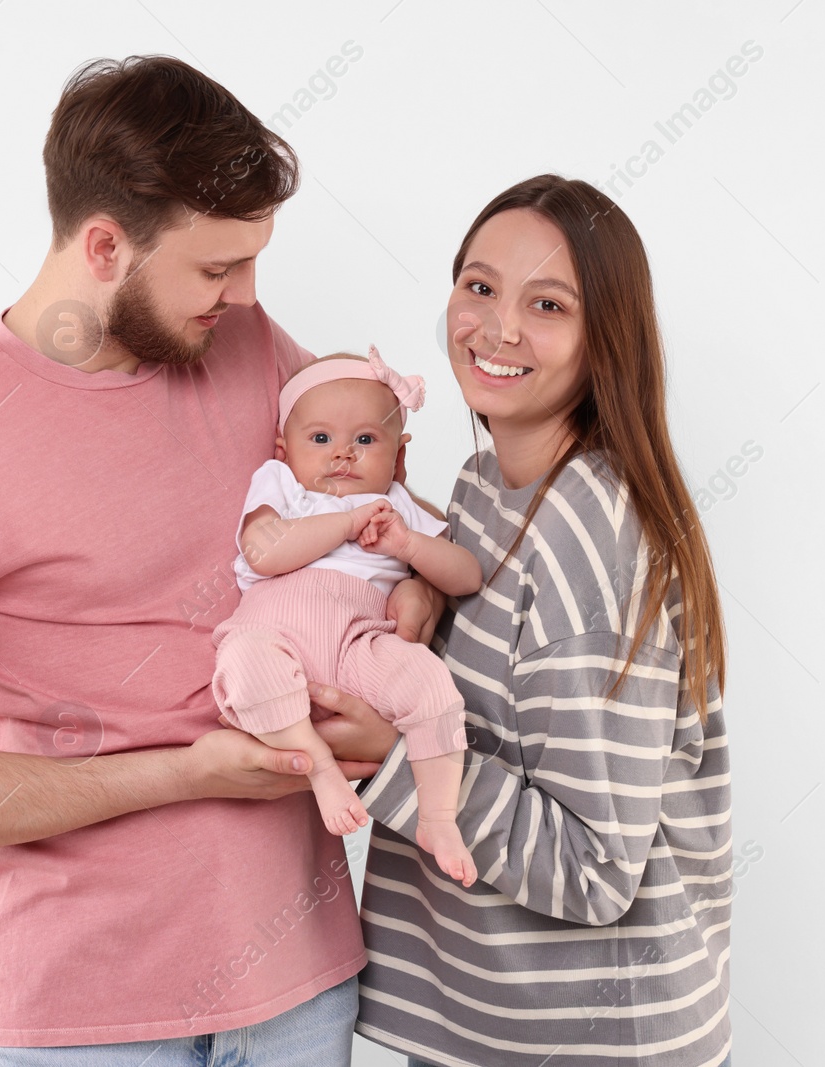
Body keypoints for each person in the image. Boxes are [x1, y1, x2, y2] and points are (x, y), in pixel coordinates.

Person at [0, 55, 448, 1065]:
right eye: (215, 268)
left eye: (253, 262)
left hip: (301, 989)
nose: (245, 295)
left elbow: (379, 521)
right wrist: (185, 774)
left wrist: (406, 627)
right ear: (105, 245)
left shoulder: (248, 347)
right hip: (80, 1022)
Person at [311, 175, 735, 1066]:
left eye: (547, 304)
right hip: (496, 1028)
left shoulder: (589, 537)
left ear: (603, 338)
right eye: (479, 286)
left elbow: (595, 869)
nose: (498, 327)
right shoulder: (484, 488)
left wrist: (396, 754)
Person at [211, 347, 482, 885]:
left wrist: (410, 546)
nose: (343, 455)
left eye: (365, 440)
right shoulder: (282, 488)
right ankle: (320, 766)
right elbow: (264, 553)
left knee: (431, 684)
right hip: (275, 633)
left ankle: (438, 817)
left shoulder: (397, 506)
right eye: (320, 440)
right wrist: (345, 523)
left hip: (360, 643)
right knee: (243, 662)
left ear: (399, 455)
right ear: (283, 451)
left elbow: (466, 577)